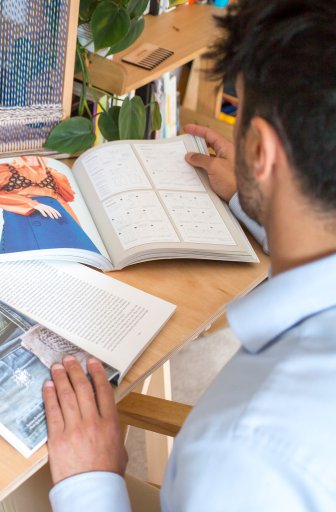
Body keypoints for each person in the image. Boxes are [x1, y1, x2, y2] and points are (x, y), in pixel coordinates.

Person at [43, 0, 336, 510]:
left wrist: (92, 482)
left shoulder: (246, 453)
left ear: (262, 151)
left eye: (237, 109)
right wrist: (253, 202)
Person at [0, 155, 100, 254]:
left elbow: (61, 201)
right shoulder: (6, 170)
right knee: (26, 262)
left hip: (57, 220)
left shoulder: (53, 173)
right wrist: (31, 204)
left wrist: (77, 229)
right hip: (24, 218)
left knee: (75, 257)